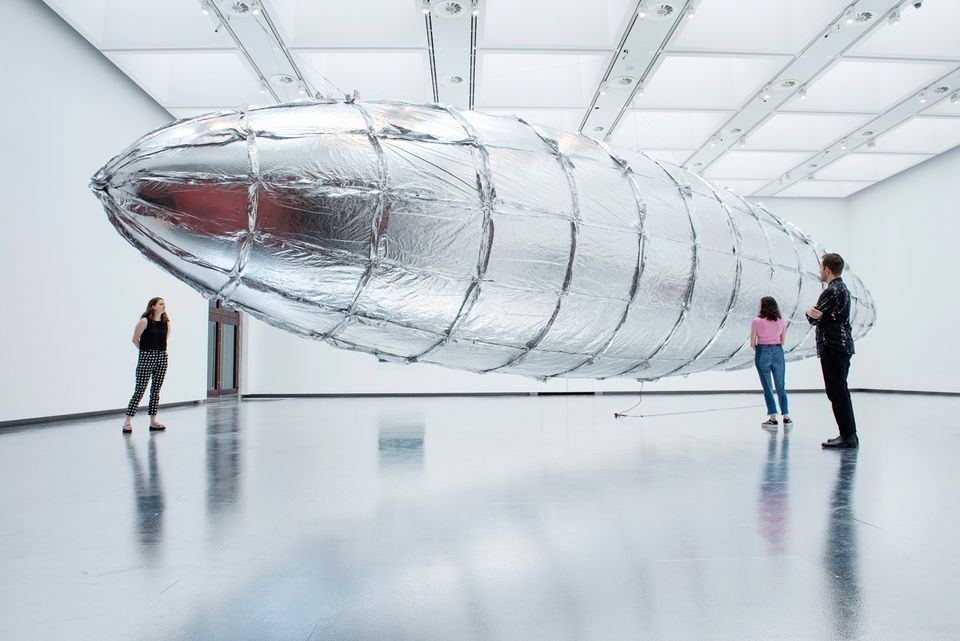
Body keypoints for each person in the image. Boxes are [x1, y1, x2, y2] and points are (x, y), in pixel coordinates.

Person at [806, 253, 857, 449]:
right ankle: (849, 434)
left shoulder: (831, 291)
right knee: (841, 390)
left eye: (821, 267)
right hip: (843, 345)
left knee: (836, 392)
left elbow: (814, 317)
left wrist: (809, 312)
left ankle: (847, 436)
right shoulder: (844, 290)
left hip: (832, 346)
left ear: (827, 269)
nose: (820, 271)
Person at [122, 297, 170, 433]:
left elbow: (165, 340)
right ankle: (127, 422)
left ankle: (153, 422)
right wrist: (145, 352)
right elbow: (135, 340)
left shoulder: (166, 323)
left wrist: (157, 353)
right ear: (153, 306)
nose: (164, 306)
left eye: (164, 304)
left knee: (156, 391)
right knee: (139, 391)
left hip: (162, 357)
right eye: (161, 304)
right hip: (146, 357)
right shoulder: (144, 321)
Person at [751, 296, 791, 429]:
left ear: (763, 306)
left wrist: (761, 351)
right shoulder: (781, 320)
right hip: (778, 352)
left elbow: (752, 343)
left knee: (767, 387)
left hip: (762, 352)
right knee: (781, 386)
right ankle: (786, 416)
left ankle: (773, 418)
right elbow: (782, 341)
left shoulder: (756, 321)